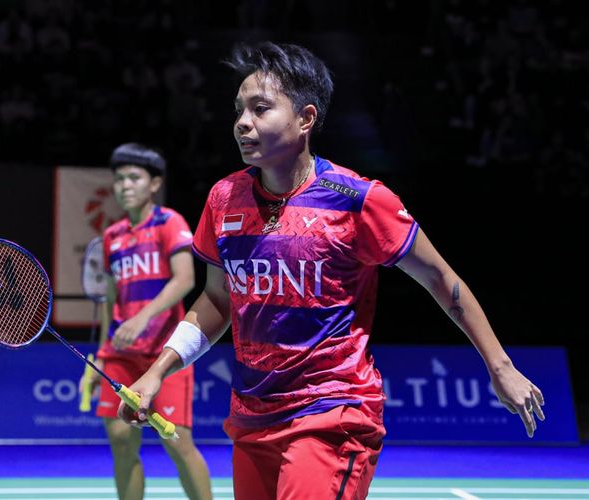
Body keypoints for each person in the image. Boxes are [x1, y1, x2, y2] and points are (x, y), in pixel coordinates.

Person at [118, 42, 546, 499]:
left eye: (261, 109)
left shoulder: (358, 200)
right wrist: (157, 372)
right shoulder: (224, 199)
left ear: (305, 119)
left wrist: (500, 366)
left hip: (332, 414)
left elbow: (443, 280)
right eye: (239, 109)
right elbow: (219, 299)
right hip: (252, 417)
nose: (243, 122)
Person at [81, 143, 212, 500]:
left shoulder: (170, 223)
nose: (124, 186)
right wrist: (101, 355)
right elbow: (111, 299)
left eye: (134, 178)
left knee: (177, 441)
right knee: (121, 441)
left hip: (164, 354)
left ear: (154, 184)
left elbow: (184, 279)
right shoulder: (112, 237)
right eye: (119, 179)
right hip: (121, 355)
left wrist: (142, 317)